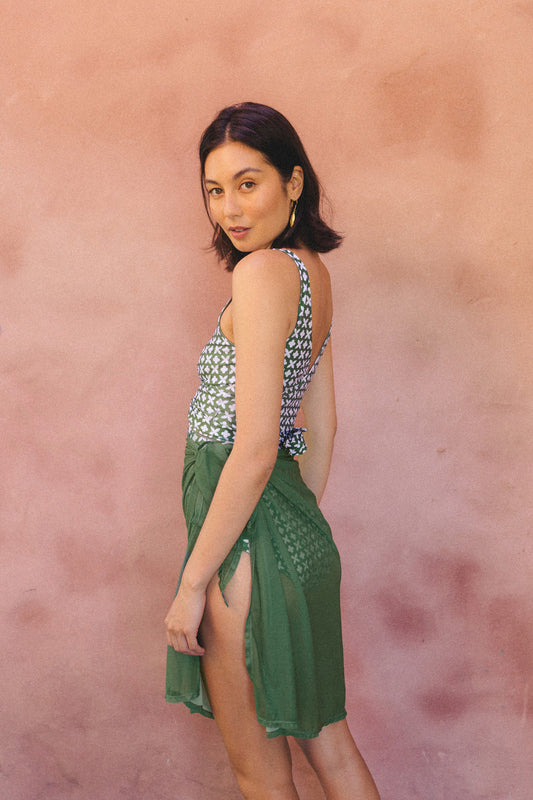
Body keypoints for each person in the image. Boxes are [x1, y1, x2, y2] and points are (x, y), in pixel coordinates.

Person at [165, 102, 380, 800]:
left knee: (259, 771)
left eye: (247, 182)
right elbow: (320, 426)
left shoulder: (259, 273)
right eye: (214, 189)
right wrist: (291, 531)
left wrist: (195, 583)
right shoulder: (311, 273)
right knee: (333, 753)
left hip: (245, 545)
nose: (228, 206)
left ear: (293, 182)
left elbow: (254, 447)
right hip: (292, 535)